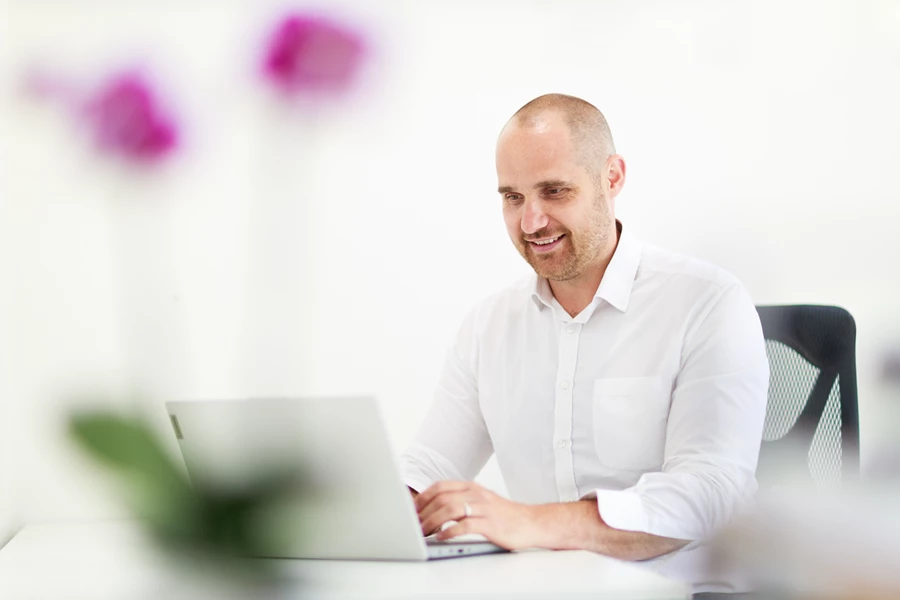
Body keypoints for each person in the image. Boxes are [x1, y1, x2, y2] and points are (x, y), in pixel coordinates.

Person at [399, 93, 769, 595]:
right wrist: (378, 507)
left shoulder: (707, 302)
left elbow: (711, 493)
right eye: (513, 197)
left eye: (554, 191)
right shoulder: (489, 325)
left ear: (612, 177)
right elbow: (430, 467)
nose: (531, 222)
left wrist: (529, 522)